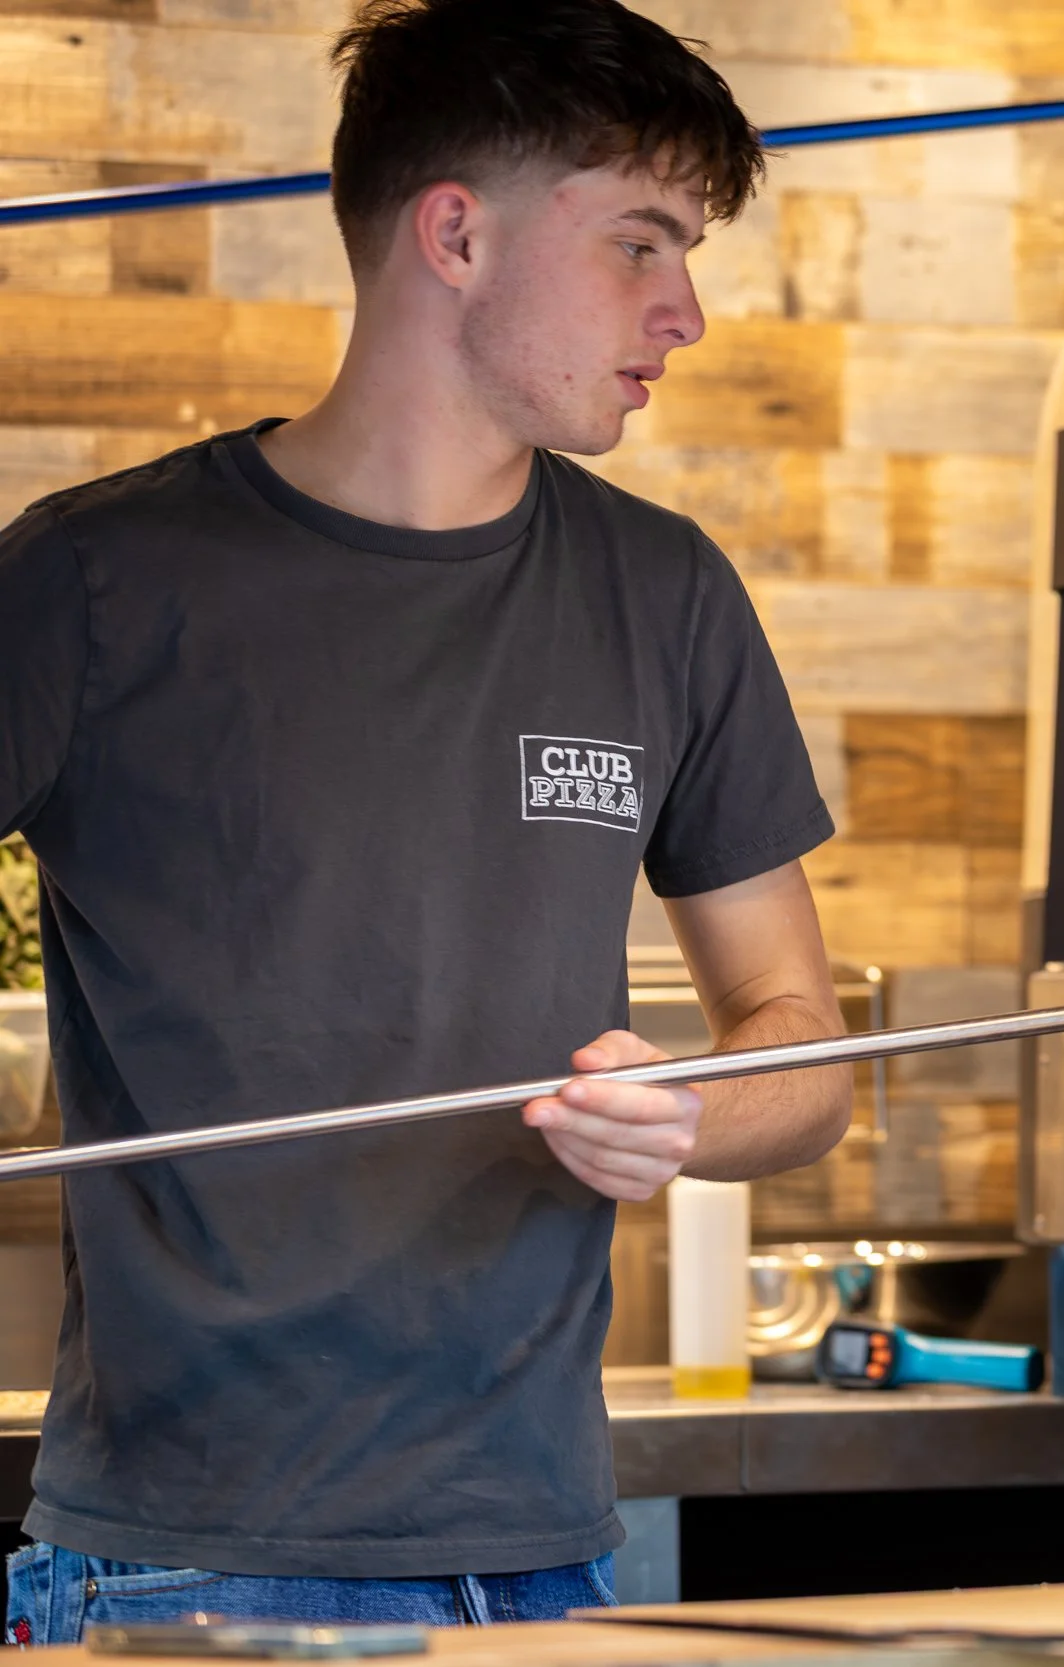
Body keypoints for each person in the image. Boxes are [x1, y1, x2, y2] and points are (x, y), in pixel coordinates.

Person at [0, 0, 852, 1638]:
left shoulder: (666, 594)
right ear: (455, 236)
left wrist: (690, 1112)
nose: (686, 312)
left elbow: (802, 1050)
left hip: (547, 1561)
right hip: (183, 1567)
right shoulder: (94, 583)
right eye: (641, 244)